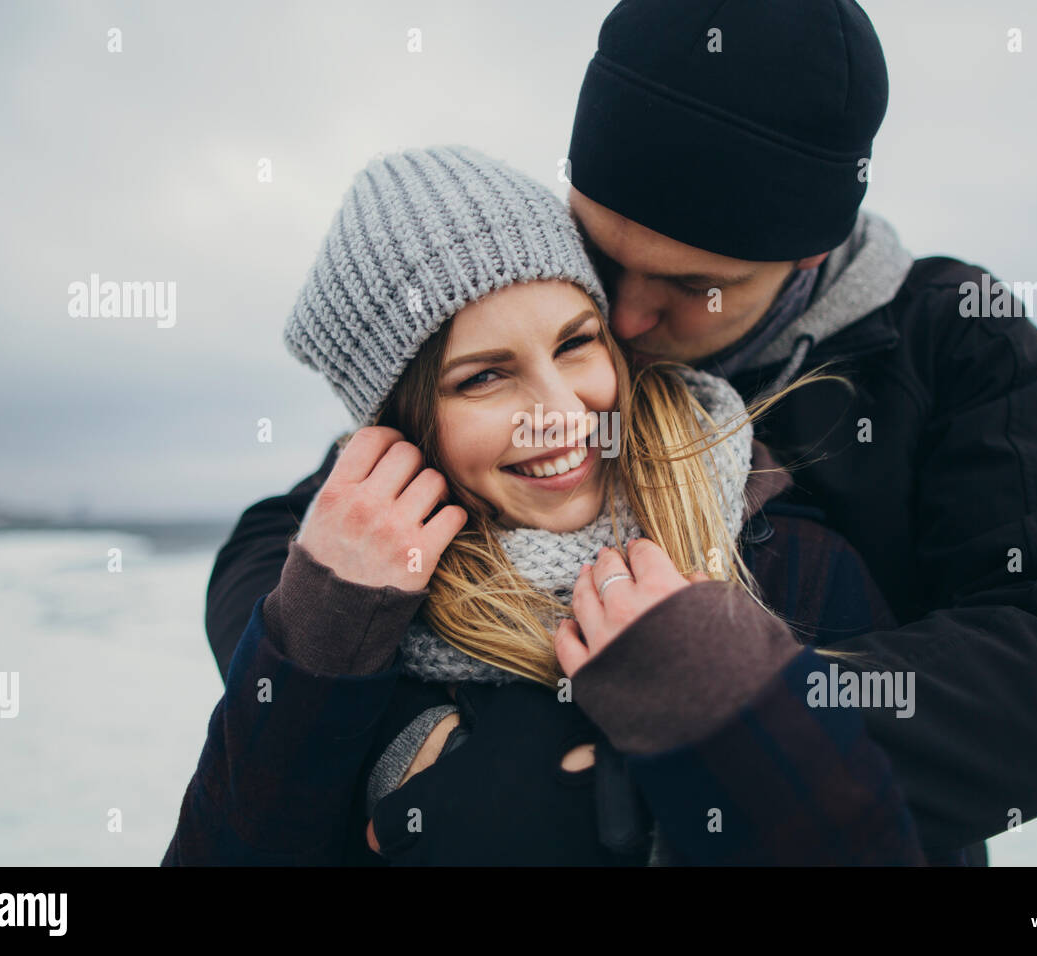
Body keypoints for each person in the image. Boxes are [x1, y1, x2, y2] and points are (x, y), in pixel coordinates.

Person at [204, 0, 1037, 865]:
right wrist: (416, 733)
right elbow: (293, 548)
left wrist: (714, 731)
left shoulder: (954, 340)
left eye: (695, 287)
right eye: (603, 256)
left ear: (806, 254)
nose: (623, 320)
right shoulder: (553, 318)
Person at [163, 144, 927, 866]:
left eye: (575, 344)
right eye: (484, 378)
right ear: (403, 425)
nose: (562, 411)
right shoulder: (371, 623)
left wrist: (728, 715)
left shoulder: (787, 559)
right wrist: (318, 640)